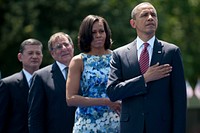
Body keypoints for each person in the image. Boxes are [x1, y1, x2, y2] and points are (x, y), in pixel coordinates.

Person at [106, 2, 186, 133]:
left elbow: (180, 100)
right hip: (131, 128)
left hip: (162, 128)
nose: (150, 17)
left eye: (153, 14)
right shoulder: (119, 54)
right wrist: (144, 79)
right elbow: (113, 92)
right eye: (144, 15)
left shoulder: (171, 52)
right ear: (133, 23)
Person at [66, 15, 120, 133]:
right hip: (88, 124)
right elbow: (70, 99)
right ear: (86, 35)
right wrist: (105, 101)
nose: (98, 35)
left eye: (101, 31)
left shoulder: (117, 57)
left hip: (115, 123)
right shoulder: (78, 60)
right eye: (93, 32)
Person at [28, 32, 76, 133]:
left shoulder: (85, 71)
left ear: (72, 47)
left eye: (66, 44)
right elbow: (35, 117)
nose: (63, 48)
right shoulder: (41, 77)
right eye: (58, 47)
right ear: (52, 53)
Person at [0, 38, 43, 133]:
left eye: (38, 53)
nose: (35, 56)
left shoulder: (48, 83)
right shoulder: (8, 84)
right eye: (30, 53)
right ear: (20, 57)